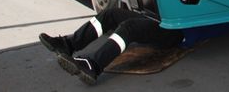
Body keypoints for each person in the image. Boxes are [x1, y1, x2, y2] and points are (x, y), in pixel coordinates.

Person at [38, 8, 218, 85]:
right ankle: (68, 44)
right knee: (111, 14)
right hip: (164, 18)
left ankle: (94, 65)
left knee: (130, 28)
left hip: (179, 31)